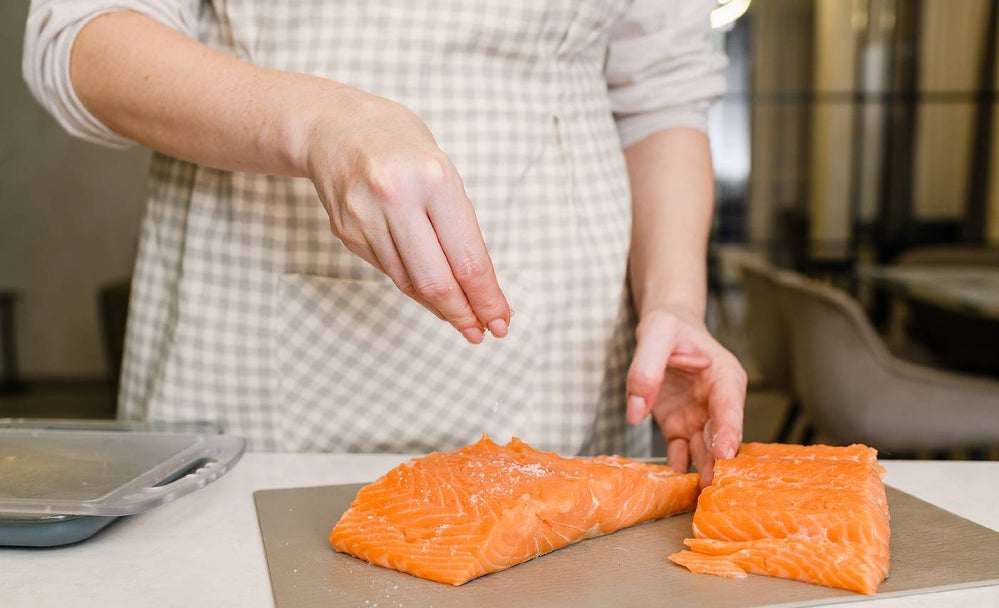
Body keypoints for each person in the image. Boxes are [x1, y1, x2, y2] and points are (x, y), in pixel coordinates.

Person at [23, 0, 747, 483]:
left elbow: (660, 95)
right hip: (257, 327)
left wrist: (675, 302)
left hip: (569, 355)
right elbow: (81, 37)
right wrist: (320, 124)